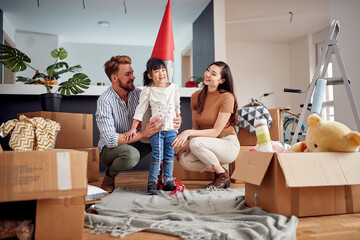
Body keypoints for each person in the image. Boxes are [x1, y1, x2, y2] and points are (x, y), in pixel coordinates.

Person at [96, 55, 181, 192]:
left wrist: (176, 118)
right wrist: (143, 133)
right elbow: (110, 139)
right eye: (128, 74)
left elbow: (160, 110)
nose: (133, 77)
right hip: (111, 149)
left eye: (133, 73)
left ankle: (164, 178)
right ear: (114, 78)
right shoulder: (105, 101)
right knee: (131, 156)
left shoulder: (139, 94)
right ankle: (109, 175)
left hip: (135, 139)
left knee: (159, 140)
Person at [172, 61, 240, 189]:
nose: (207, 74)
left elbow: (215, 131)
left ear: (222, 80)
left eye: (213, 74)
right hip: (207, 143)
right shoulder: (196, 96)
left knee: (196, 143)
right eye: (208, 70)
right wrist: (189, 144)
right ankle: (220, 170)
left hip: (227, 144)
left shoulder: (227, 97)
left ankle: (222, 175)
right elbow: (196, 127)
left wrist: (187, 134)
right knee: (184, 159)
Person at [125, 57, 180, 195]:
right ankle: (152, 182)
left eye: (163, 70)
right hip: (157, 130)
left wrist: (179, 117)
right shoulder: (148, 90)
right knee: (157, 156)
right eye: (156, 71)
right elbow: (140, 109)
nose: (161, 73)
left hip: (172, 130)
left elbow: (177, 106)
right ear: (150, 75)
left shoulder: (174, 88)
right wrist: (133, 128)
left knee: (169, 155)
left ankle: (168, 180)